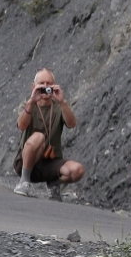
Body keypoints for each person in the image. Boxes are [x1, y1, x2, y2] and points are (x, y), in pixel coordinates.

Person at [13, 68, 84, 201]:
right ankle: (24, 181)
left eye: (49, 83)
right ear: (34, 86)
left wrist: (62, 102)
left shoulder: (58, 107)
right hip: (27, 160)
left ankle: (54, 185)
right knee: (38, 137)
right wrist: (32, 101)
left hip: (50, 162)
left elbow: (72, 124)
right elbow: (22, 125)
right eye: (42, 83)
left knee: (77, 170)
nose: (45, 87)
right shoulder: (27, 105)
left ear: (54, 85)